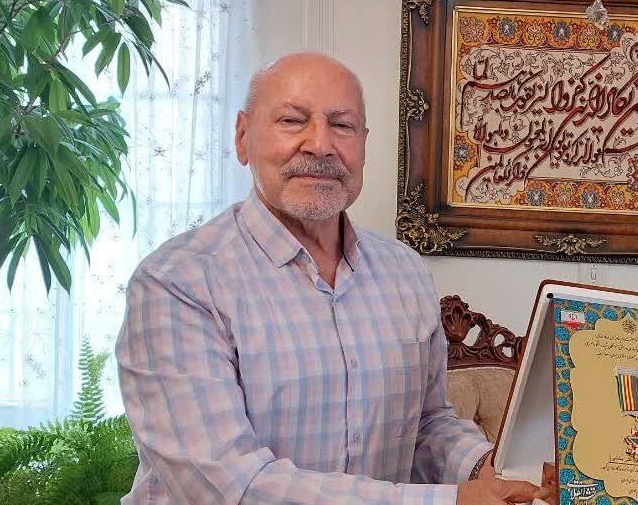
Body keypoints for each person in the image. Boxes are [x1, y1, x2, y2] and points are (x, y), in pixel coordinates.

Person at [115, 51, 547, 505]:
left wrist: (489, 467)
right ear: (243, 137)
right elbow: (229, 485)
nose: (320, 145)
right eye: (292, 121)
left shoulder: (405, 272)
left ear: (364, 144)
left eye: (342, 125)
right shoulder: (177, 283)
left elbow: (426, 424)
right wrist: (450, 501)